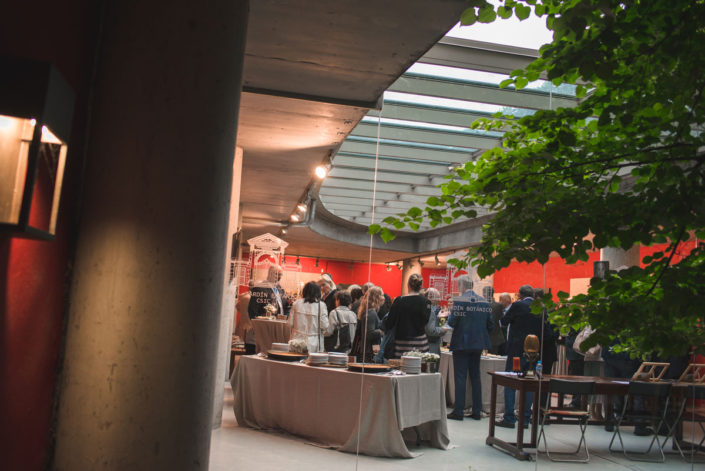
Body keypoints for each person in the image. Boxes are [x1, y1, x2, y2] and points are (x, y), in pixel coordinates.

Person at [446, 275, 493, 421]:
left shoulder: (460, 300)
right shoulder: (484, 302)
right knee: (476, 376)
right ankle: (477, 411)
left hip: (461, 343)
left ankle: (459, 411)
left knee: (460, 377)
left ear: (461, 286)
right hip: (478, 343)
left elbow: (452, 322)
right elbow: (490, 325)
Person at [496, 284, 543, 429]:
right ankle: (525, 419)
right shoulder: (540, 308)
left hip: (516, 352)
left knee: (511, 381)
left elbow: (504, 322)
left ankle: (509, 417)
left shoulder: (517, 306)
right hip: (533, 354)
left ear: (520, 295)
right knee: (529, 383)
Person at [383, 273, 431, 357]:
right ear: (420, 286)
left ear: (408, 285)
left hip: (401, 343)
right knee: (418, 367)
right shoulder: (426, 302)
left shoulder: (399, 301)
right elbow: (425, 322)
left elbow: (389, 323)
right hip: (420, 343)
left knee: (400, 368)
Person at [288, 281, 329, 353]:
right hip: (314, 342)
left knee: (294, 362)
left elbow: (289, 324)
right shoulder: (321, 305)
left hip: (296, 339)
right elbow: (324, 325)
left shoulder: (296, 303)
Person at [350, 286, 384, 363]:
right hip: (368, 352)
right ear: (376, 297)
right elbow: (369, 334)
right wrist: (381, 331)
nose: (383, 298)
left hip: (367, 351)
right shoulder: (371, 313)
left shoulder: (369, 312)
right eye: (382, 295)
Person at [424, 288, 448, 355]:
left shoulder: (425, 308)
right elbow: (431, 331)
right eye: (437, 298)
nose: (438, 301)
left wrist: (437, 317)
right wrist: (443, 329)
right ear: (430, 297)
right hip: (430, 346)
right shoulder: (429, 310)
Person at [484, 287, 506, 355]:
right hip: (495, 337)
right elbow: (502, 319)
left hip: (483, 336)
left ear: (484, 294)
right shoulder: (498, 305)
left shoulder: (480, 305)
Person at [234, 282, 254, 354]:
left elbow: (237, 306)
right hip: (250, 321)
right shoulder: (253, 298)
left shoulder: (243, 296)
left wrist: (242, 313)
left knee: (243, 338)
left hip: (242, 319)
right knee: (249, 339)